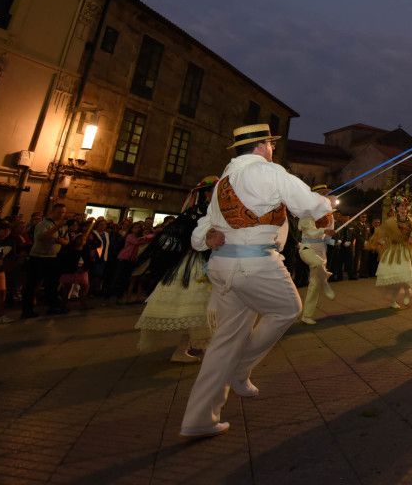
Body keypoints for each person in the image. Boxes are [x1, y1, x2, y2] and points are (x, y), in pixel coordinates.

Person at [180, 124, 336, 438]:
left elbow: (202, 228)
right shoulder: (267, 172)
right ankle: (241, 368)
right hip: (255, 264)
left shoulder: (224, 180)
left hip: (224, 266)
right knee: (288, 308)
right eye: (270, 144)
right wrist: (325, 207)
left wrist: (203, 239)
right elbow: (307, 202)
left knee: (224, 342)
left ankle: (199, 419)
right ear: (262, 145)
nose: (273, 149)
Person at [136, 177, 217, 362]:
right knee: (200, 310)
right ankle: (194, 352)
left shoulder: (202, 211)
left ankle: (185, 351)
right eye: (214, 190)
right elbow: (178, 236)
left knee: (200, 313)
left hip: (205, 261)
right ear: (206, 193)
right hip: (196, 264)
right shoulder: (199, 212)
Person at [369, 202, 412, 308]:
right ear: (397, 208)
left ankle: (407, 294)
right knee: (397, 278)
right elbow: (384, 233)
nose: (403, 209)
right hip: (394, 250)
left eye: (405, 207)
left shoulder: (411, 221)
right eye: (401, 207)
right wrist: (381, 240)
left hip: (407, 250)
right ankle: (393, 301)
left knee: (408, 274)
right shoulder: (391, 221)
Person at [297, 188, 337, 325]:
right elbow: (312, 233)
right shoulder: (307, 214)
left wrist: (331, 238)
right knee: (318, 264)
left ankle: (306, 315)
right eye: (321, 194)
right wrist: (325, 230)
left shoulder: (329, 215)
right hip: (307, 248)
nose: (324, 197)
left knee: (314, 284)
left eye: (325, 194)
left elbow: (325, 238)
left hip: (321, 250)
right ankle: (325, 281)